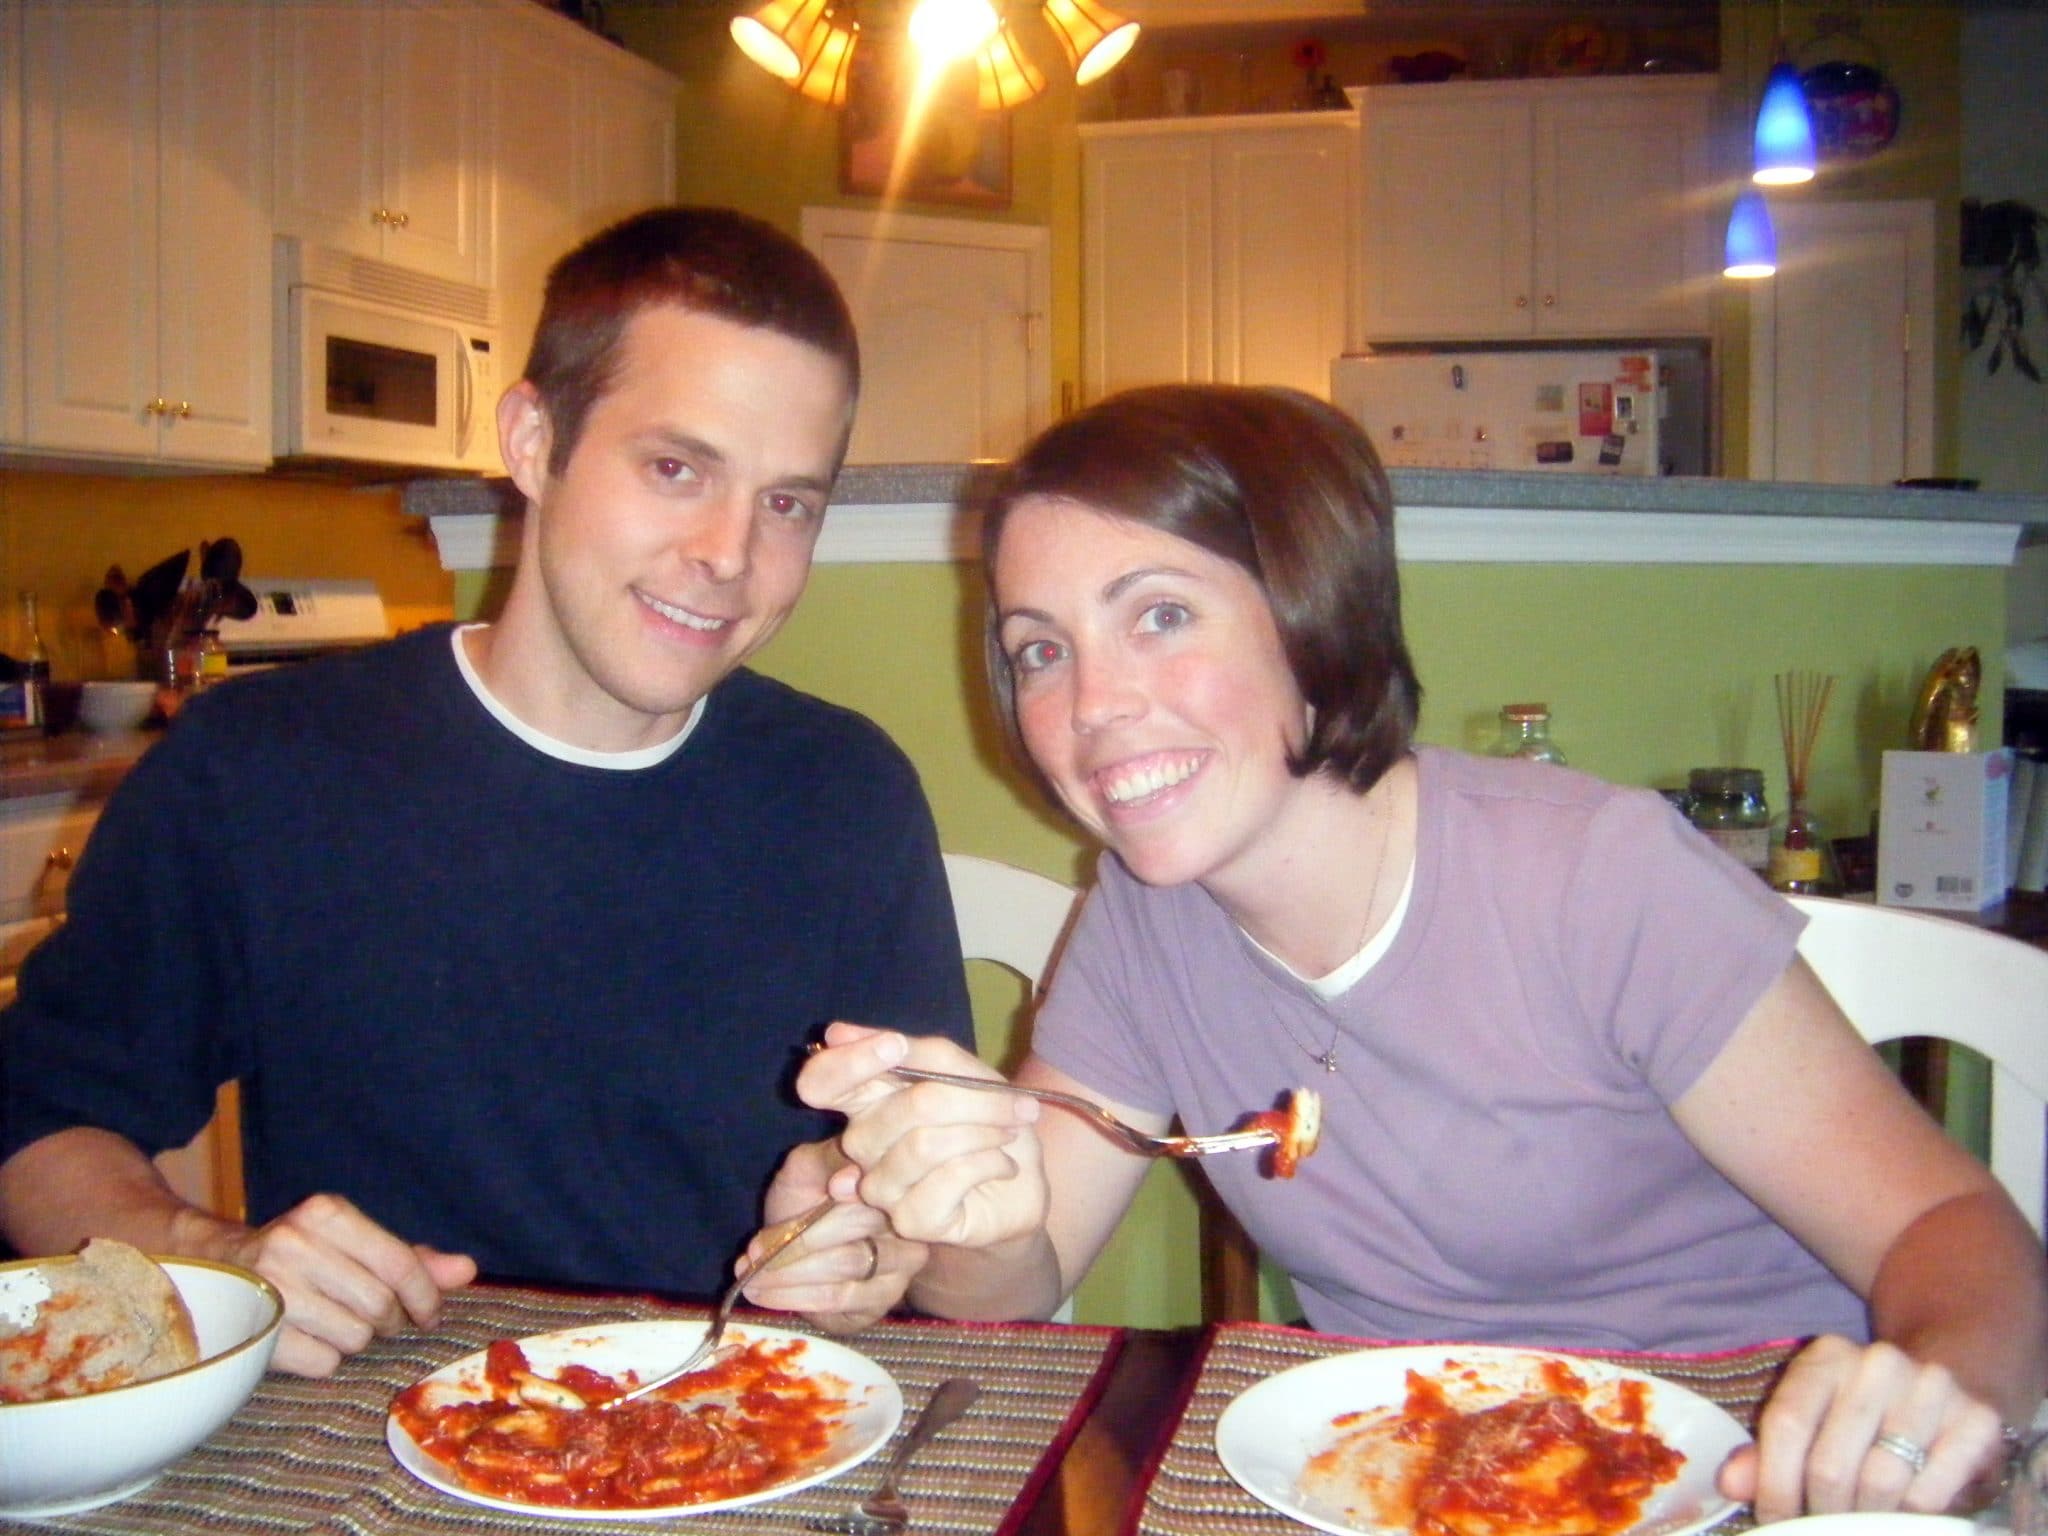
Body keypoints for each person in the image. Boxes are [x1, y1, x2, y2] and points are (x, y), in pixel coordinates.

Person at [753, 384, 2048, 1522]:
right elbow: (1017, 1293)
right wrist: (949, 1215)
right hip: (1422, 1492)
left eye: (1158, 615)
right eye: (1041, 649)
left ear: (1314, 614)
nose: (1088, 705)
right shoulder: (1144, 923)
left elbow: (1954, 1225)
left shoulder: (1597, 878)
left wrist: (1926, 1406)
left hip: (1765, 1478)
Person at [0, 207, 972, 1377]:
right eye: (676, 468)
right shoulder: (256, 769)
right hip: (368, 1445)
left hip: (758, 1429)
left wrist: (867, 1239)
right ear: (532, 440)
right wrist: (207, 1254)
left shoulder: (847, 793)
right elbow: (37, 1114)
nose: (730, 553)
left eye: (788, 503)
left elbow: (911, 1203)